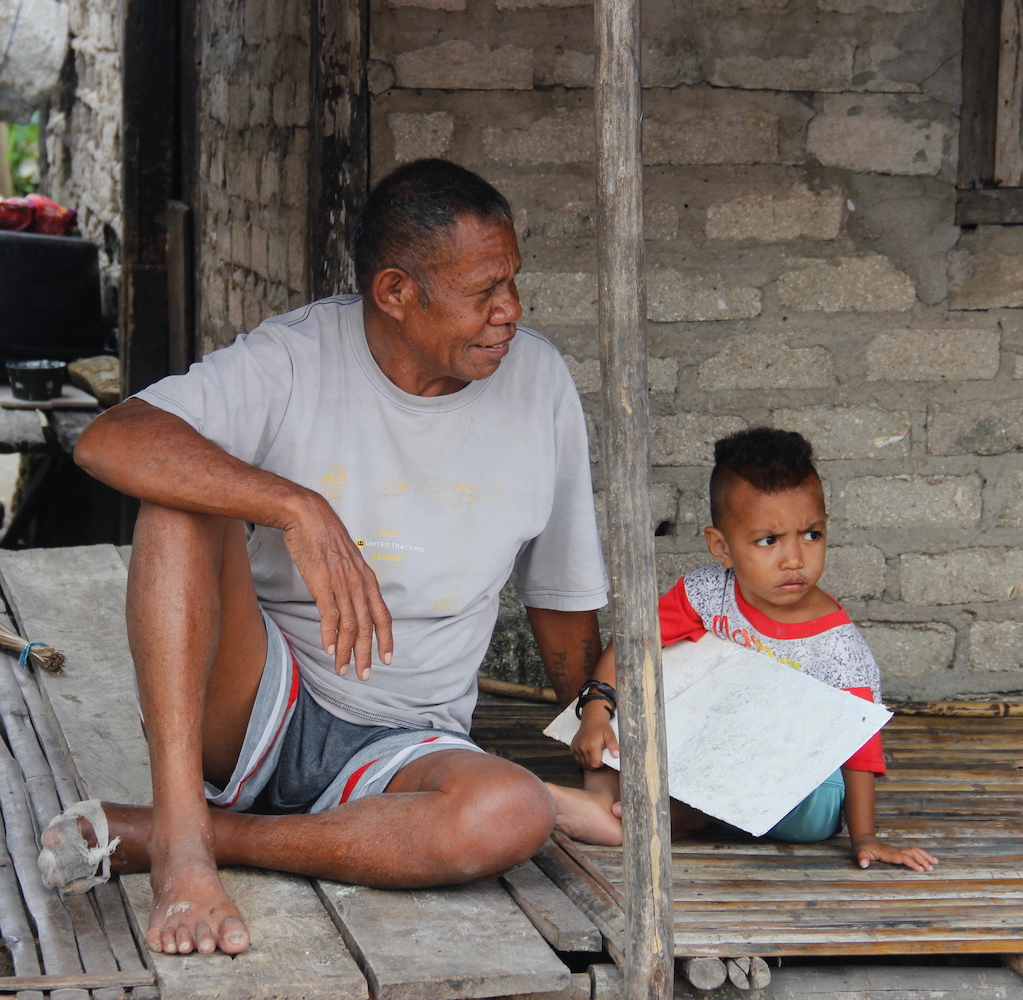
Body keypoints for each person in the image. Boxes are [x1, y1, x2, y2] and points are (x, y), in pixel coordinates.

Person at [37, 159, 608, 957]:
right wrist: (295, 506)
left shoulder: (539, 383)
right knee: (176, 499)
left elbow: (560, 593)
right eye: (484, 291)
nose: (509, 310)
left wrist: (600, 747)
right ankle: (184, 845)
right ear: (396, 292)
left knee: (512, 813)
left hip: (409, 742)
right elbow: (113, 440)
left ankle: (187, 833)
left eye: (511, 283)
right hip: (257, 700)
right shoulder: (296, 357)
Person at [549, 427, 937, 873]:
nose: (794, 559)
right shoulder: (707, 594)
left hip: (802, 793)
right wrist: (596, 713)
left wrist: (865, 836)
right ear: (722, 547)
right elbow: (633, 645)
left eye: (811, 535)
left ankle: (661, 817)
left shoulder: (840, 648)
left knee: (793, 776)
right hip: (712, 752)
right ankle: (600, 799)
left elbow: (859, 745)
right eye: (769, 540)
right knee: (636, 689)